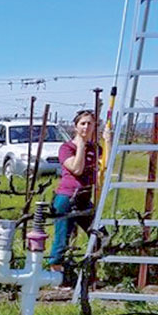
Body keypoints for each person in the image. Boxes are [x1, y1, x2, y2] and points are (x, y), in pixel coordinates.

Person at [47, 109, 110, 280]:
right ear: (76, 126)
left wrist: (108, 142)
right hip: (67, 198)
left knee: (101, 236)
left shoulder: (95, 148)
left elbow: (106, 166)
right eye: (83, 123)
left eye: (90, 123)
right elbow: (76, 168)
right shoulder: (66, 148)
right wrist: (81, 145)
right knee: (62, 238)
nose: (86, 127)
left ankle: (90, 272)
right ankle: (56, 277)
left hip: (84, 199)